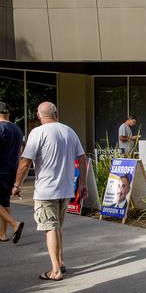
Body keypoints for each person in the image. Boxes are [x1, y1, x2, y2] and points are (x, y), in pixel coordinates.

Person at [13, 102, 87, 281]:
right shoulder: (69, 131)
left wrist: (17, 184)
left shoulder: (37, 133)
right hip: (66, 189)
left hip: (46, 191)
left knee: (50, 228)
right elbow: (82, 158)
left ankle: (55, 271)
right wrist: (82, 184)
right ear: (56, 113)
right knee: (57, 226)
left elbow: (25, 162)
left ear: (39, 116)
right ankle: (60, 262)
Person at [0, 101, 25, 244]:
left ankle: (14, 223)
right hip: (11, 170)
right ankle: (2, 235)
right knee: (4, 202)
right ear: (8, 113)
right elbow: (20, 152)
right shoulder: (17, 129)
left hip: (0, 169)